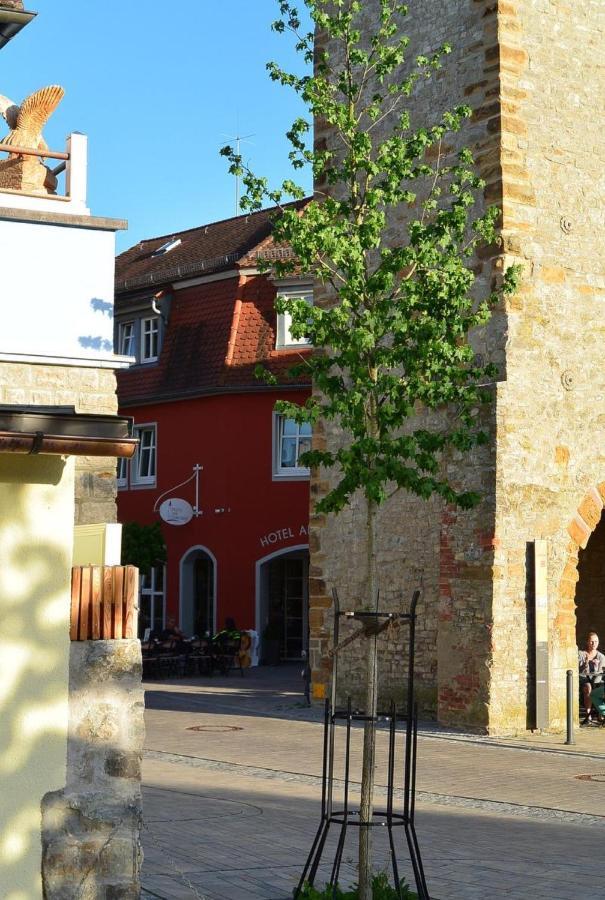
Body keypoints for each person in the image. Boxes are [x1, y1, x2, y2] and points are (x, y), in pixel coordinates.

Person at [579, 631, 605, 725]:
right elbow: (580, 671)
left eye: (596, 641)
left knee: (599, 686)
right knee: (588, 687)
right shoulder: (581, 654)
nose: (594, 644)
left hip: (597, 679)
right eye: (591, 641)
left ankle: (601, 715)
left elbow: (601, 673)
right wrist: (586, 663)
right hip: (583, 678)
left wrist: (596, 666)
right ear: (587, 642)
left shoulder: (601, 656)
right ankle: (588, 715)